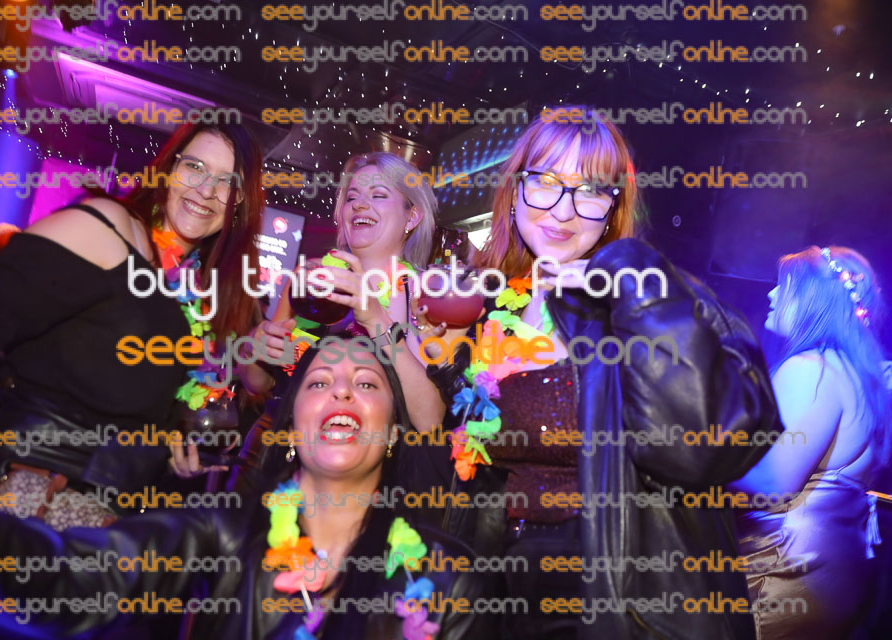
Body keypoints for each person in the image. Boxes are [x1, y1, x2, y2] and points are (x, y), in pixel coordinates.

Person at [423, 107, 782, 639]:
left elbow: (705, 445)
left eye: (589, 189)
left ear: (613, 208)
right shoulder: (496, 307)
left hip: (617, 598)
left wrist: (633, 281)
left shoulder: (640, 296)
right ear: (515, 190)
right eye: (546, 181)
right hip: (504, 589)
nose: (562, 210)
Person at [0, 337, 495, 640]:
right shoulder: (223, 531)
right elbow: (71, 579)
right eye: (319, 382)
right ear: (290, 429)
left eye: (366, 384)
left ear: (393, 434)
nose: (342, 392)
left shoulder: (448, 578)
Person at [0, 121, 266, 528]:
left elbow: (119, 401)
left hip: (104, 525)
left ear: (240, 202)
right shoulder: (110, 227)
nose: (206, 190)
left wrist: (170, 450)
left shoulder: (199, 294)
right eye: (194, 167)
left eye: (227, 181)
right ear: (169, 170)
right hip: (28, 500)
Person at [729, 246, 890, 639]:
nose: (770, 294)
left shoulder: (810, 369)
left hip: (782, 574)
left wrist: (695, 454)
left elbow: (771, 485)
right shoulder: (861, 376)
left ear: (813, 298)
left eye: (783, 285)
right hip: (838, 576)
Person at [249, 151, 445, 434]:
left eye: (378, 195)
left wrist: (376, 319)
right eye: (352, 198)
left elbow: (429, 420)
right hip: (284, 440)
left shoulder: (425, 297)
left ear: (412, 217)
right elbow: (258, 382)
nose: (359, 205)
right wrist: (256, 349)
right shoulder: (310, 281)